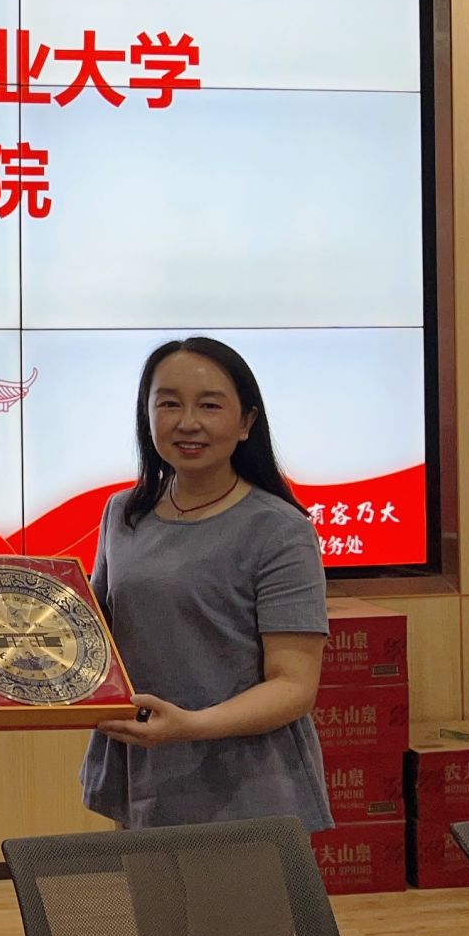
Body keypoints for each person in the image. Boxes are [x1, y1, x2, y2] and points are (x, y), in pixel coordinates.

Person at [81, 335, 332, 833]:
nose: (188, 422)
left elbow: (294, 686)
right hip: (141, 771)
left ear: (246, 423)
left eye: (210, 405)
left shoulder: (280, 530)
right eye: (168, 404)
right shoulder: (123, 513)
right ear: (146, 416)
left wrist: (192, 726)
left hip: (245, 791)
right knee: (151, 890)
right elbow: (93, 634)